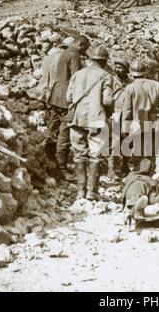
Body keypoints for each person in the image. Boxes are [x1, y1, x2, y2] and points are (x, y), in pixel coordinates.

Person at [66, 46, 114, 200]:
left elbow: (69, 98)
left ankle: (80, 191)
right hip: (96, 120)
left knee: (79, 154)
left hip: (77, 119)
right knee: (95, 155)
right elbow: (107, 101)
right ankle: (92, 192)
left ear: (91, 59)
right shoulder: (106, 76)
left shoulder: (78, 74)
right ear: (105, 61)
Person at [47, 35, 89, 180]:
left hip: (55, 96)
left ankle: (49, 161)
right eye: (85, 48)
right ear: (81, 45)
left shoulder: (63, 53)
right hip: (66, 99)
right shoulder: (75, 55)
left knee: (52, 129)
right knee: (64, 135)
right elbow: (76, 79)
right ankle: (62, 169)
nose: (85, 52)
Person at [121, 60, 159, 170]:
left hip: (137, 123)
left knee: (138, 151)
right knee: (151, 150)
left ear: (131, 72)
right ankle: (150, 172)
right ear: (145, 71)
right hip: (153, 122)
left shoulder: (130, 88)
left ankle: (139, 173)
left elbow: (127, 109)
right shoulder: (156, 85)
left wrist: (125, 127)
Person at [108, 57, 131, 179]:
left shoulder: (131, 83)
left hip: (127, 115)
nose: (118, 69)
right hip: (114, 113)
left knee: (127, 141)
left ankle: (125, 165)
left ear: (126, 70)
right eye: (116, 66)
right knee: (113, 141)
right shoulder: (111, 81)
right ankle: (111, 169)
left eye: (121, 67)